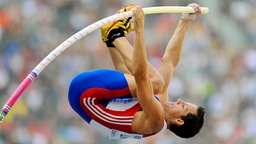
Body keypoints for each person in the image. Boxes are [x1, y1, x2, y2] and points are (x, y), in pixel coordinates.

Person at [68, 3, 205, 139]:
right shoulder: (160, 105)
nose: (180, 100)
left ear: (179, 121)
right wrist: (185, 21)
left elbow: (139, 74)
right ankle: (111, 37)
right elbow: (169, 61)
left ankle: (115, 34)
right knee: (151, 84)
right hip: (90, 97)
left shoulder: (156, 122)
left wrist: (140, 30)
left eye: (184, 106)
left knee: (155, 83)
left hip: (85, 95)